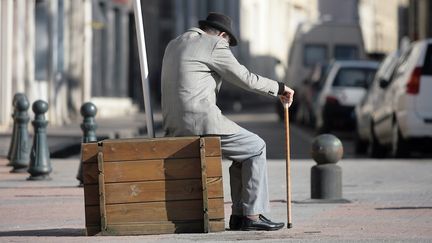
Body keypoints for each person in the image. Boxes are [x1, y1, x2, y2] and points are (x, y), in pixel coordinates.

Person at [161, 12, 294, 231]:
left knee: (243, 152)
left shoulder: (174, 44)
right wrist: (280, 88)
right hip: (200, 123)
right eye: (228, 43)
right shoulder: (214, 44)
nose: (228, 48)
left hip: (173, 125)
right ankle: (251, 216)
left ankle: (239, 216)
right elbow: (245, 78)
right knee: (256, 146)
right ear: (223, 35)